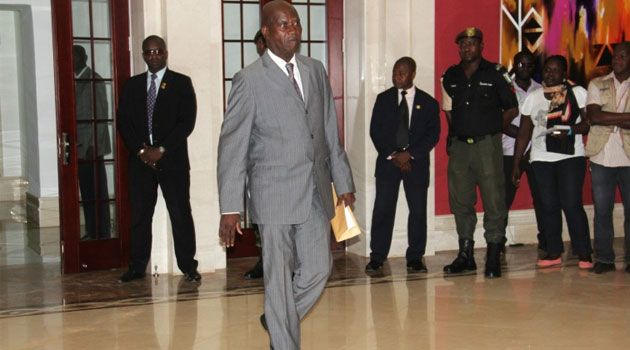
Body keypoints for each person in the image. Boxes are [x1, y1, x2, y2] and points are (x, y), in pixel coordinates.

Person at [217, 1, 355, 349]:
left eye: (295, 22)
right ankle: (283, 341)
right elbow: (233, 147)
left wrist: (344, 181)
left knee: (318, 270)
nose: (293, 29)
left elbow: (328, 131)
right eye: (283, 24)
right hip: (273, 193)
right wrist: (229, 207)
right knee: (277, 280)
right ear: (266, 32)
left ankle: (278, 317)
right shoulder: (248, 80)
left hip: (315, 191)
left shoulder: (315, 70)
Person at [117, 35, 201, 283]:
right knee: (141, 216)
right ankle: (136, 267)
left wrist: (161, 150)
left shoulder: (181, 83)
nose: (153, 56)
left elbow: (187, 122)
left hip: (172, 161)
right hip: (141, 162)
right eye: (149, 52)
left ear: (166, 53)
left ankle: (188, 266)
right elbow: (124, 122)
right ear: (143, 55)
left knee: (181, 214)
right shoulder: (132, 85)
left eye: (158, 51)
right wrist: (141, 151)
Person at [441, 27, 518, 278]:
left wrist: (492, 129)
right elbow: (449, 110)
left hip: (487, 146)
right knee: (460, 201)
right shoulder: (450, 75)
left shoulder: (496, 73)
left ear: (481, 46)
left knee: (494, 199)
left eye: (471, 44)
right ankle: (466, 255)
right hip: (461, 147)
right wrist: (459, 131)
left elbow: (511, 109)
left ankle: (493, 255)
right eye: (462, 44)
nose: (467, 48)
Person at [512, 55, 593, 269]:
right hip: (541, 158)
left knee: (572, 204)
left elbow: (587, 124)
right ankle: (553, 251)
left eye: (556, 70)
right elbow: (524, 133)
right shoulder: (534, 97)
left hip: (570, 157)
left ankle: (584, 252)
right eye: (547, 69)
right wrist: (517, 163)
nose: (550, 73)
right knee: (548, 206)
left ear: (564, 73)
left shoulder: (578, 93)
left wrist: (566, 131)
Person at [365, 56, 440, 273]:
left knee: (417, 211)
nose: (396, 77)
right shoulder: (383, 99)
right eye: (395, 72)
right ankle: (377, 256)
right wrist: (395, 155)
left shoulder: (428, 103)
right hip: (389, 164)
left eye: (401, 73)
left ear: (413, 74)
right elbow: (375, 131)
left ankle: (415, 257)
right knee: (383, 209)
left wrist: (410, 155)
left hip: (416, 164)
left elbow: (432, 135)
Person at [585, 42, 630, 274]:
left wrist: (608, 116)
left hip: (628, 157)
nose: (617, 60)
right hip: (602, 155)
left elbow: (603, 116)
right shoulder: (597, 83)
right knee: (603, 210)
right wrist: (624, 118)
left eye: (622, 56)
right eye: (615, 56)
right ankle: (604, 258)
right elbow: (594, 116)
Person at [502, 50, 546, 251]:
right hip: (509, 152)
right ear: (514, 65)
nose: (525, 69)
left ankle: (545, 238)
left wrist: (530, 141)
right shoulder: (505, 88)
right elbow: (502, 123)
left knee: (542, 198)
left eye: (529, 65)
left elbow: (544, 122)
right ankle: (498, 240)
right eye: (521, 64)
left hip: (537, 152)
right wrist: (523, 136)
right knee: (504, 199)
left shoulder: (541, 90)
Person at [73, 45, 112, 240]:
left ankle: (101, 232)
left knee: (97, 191)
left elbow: (101, 114)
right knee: (87, 192)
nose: (73, 60)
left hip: (90, 148)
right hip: (78, 147)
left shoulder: (93, 80)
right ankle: (92, 230)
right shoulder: (73, 79)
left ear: (85, 58)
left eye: (76, 56)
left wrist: (93, 146)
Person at [243, 28, 268, 280]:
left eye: (263, 44)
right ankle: (263, 262)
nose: (261, 50)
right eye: (258, 47)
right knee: (260, 220)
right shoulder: (249, 78)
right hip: (258, 163)